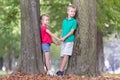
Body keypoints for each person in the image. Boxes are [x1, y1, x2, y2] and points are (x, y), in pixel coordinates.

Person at [56, 5, 77, 76]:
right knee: (62, 55)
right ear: (67, 12)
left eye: (74, 12)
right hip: (64, 40)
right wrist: (60, 39)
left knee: (66, 55)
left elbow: (71, 32)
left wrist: (64, 38)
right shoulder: (64, 21)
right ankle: (59, 69)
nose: (73, 13)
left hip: (69, 40)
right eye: (71, 11)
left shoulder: (74, 21)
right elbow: (63, 31)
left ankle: (61, 71)